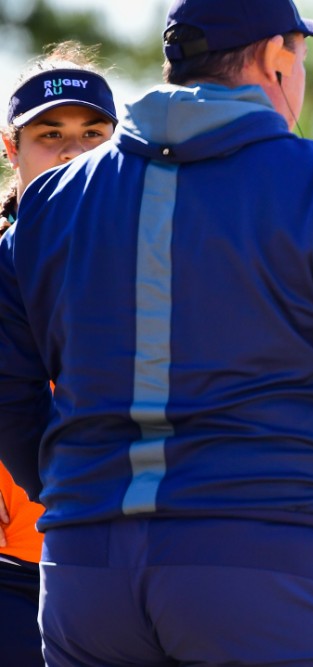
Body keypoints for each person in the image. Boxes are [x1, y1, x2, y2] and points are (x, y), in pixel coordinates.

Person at [0, 1, 313, 665]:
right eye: (302, 58)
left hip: (84, 578)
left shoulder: (48, 205)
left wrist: (84, 501)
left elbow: (11, 395)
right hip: (260, 561)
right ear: (277, 57)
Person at [0, 41, 119, 667]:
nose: (73, 151)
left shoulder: (154, 267)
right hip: (13, 576)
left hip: (126, 573)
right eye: (50, 135)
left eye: (92, 133)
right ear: (11, 148)